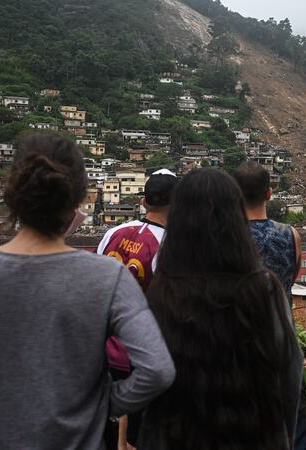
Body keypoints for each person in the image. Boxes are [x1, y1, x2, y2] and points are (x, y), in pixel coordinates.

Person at [0, 134, 175, 450]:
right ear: (78, 199)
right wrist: (98, 408)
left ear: (12, 195)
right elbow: (158, 370)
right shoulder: (106, 277)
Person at [138, 168, 303, 450]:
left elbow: (151, 378)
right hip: (255, 436)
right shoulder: (264, 288)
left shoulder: (162, 291)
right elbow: (290, 375)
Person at [97, 168, 178, 450]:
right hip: (143, 356)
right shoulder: (170, 246)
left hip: (104, 351)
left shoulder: (114, 233)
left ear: (144, 202)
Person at [232, 161, 306, 449]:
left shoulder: (228, 240)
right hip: (282, 339)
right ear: (269, 193)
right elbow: (290, 278)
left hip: (238, 344)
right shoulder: (291, 236)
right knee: (292, 424)